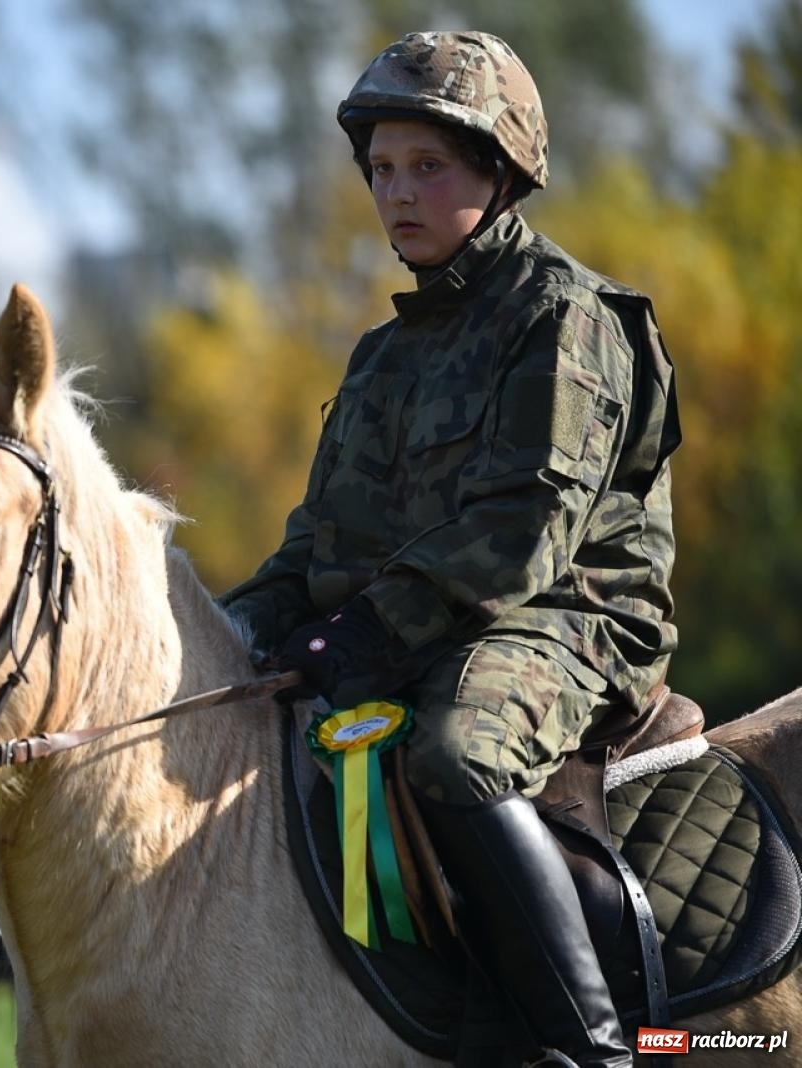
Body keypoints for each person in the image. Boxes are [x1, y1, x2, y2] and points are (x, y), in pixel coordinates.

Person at [220, 31, 678, 1068]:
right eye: (381, 170)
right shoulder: (380, 356)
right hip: (401, 636)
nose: (397, 193)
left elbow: (519, 540)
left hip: (569, 621)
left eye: (428, 166)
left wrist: (360, 636)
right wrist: (226, 629)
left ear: (500, 169)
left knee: (456, 752)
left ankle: (598, 1048)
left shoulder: (565, 318)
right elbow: (313, 549)